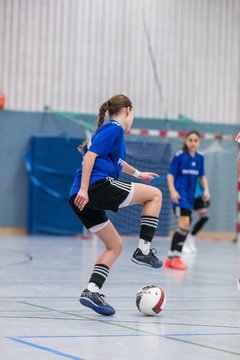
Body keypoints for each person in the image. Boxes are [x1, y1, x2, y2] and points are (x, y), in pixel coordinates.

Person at [69, 94, 163, 316]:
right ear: (128, 110)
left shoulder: (109, 132)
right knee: (155, 196)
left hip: (79, 197)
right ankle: (144, 250)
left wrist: (139, 174)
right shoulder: (114, 128)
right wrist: (85, 188)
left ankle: (91, 291)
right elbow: (90, 157)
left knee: (115, 245)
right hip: (96, 187)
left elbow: (118, 162)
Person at [165, 131, 210, 270]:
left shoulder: (200, 157)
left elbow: (202, 176)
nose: (193, 142)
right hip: (180, 196)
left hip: (190, 198)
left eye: (196, 140)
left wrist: (206, 190)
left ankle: (171, 257)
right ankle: (177, 257)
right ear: (185, 141)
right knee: (184, 224)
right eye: (190, 140)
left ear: (199, 142)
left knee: (183, 226)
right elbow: (170, 174)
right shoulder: (179, 156)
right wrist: (172, 191)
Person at [182, 179, 210, 254]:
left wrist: (206, 190)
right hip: (188, 195)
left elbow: (202, 177)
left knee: (205, 217)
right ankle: (183, 242)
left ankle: (192, 237)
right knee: (187, 220)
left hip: (199, 195)